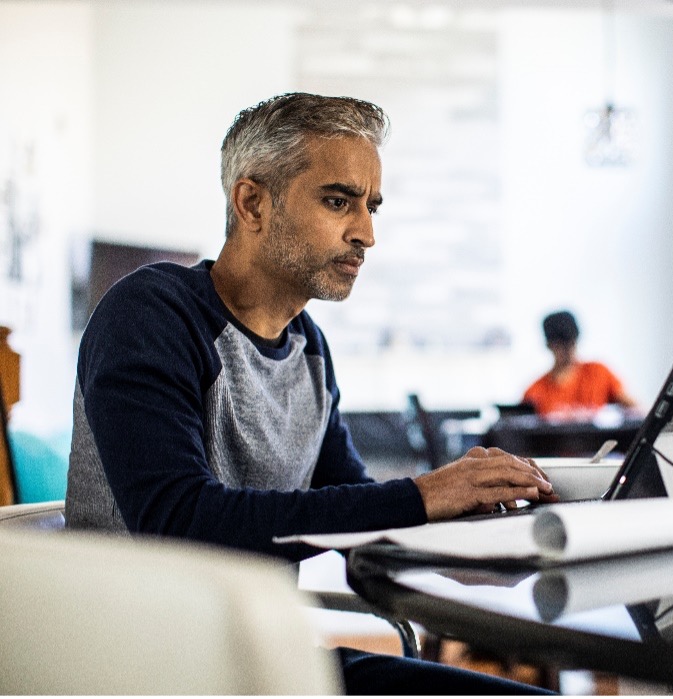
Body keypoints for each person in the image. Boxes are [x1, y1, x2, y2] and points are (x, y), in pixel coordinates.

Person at [65, 92, 556, 694]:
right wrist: (420, 496)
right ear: (252, 203)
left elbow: (353, 511)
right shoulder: (151, 313)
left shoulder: (307, 346)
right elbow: (179, 521)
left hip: (257, 661)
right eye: (337, 201)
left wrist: (478, 533)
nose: (367, 234)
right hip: (143, 670)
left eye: (372, 207)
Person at [522, 310, 639, 418]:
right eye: (561, 346)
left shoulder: (598, 373)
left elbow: (636, 409)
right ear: (549, 346)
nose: (568, 351)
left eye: (571, 343)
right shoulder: (535, 392)